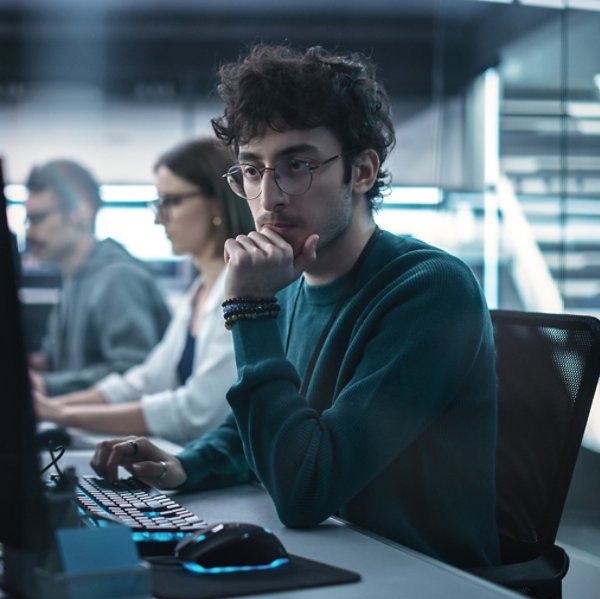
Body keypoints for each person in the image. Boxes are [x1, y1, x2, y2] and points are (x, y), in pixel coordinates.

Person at [91, 44, 500, 569]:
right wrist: (181, 467)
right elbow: (259, 437)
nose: (269, 197)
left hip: (422, 574)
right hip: (342, 557)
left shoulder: (430, 290)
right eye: (253, 170)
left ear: (362, 172)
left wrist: (251, 308)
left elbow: (306, 489)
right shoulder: (287, 285)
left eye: (297, 164)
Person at [34, 138, 255, 445]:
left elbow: (196, 411)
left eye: (172, 202)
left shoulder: (241, 289)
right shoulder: (199, 291)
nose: (157, 217)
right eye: (158, 203)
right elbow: (146, 380)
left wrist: (61, 413)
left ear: (216, 201)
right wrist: (55, 407)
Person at [25, 159, 171, 396]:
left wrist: (49, 385)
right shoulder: (73, 277)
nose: (29, 232)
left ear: (80, 213)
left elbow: (133, 373)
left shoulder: (118, 278)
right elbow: (54, 360)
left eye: (37, 218)